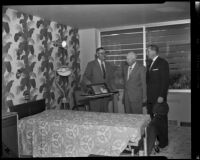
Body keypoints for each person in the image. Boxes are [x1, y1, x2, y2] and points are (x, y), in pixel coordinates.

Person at [146, 44, 170, 154]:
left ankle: (164, 142)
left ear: (153, 52)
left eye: (148, 51)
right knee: (153, 121)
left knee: (161, 121)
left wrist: (162, 96)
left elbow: (165, 81)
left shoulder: (162, 62)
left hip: (158, 99)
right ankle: (155, 139)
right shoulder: (150, 63)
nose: (147, 53)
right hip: (151, 99)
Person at [81, 47, 115, 112]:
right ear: (97, 54)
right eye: (101, 53)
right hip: (95, 96)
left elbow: (111, 79)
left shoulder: (108, 65)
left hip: (105, 96)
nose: (104, 55)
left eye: (105, 53)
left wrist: (114, 89)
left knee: (104, 114)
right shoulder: (91, 64)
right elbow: (85, 77)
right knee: (95, 115)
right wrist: (91, 87)